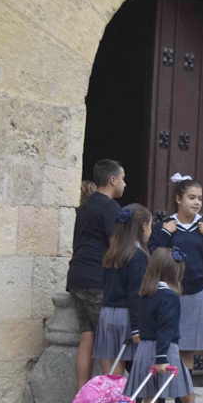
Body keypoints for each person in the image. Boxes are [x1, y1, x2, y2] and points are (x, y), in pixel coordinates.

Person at [125, 248, 203, 403]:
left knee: (149, 402)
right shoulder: (170, 297)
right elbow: (165, 328)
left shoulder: (147, 293)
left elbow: (147, 323)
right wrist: (162, 358)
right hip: (164, 351)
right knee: (187, 395)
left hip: (145, 349)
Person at [148, 174, 203, 403]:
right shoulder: (166, 227)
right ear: (178, 199)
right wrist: (163, 233)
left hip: (196, 294)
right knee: (161, 347)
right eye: (191, 198)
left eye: (200, 199)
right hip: (167, 294)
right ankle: (158, 402)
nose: (197, 203)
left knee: (186, 352)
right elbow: (152, 255)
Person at [68, 160, 125, 389]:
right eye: (122, 178)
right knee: (108, 344)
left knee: (87, 339)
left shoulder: (86, 205)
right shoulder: (110, 207)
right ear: (112, 180)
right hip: (97, 280)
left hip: (77, 277)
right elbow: (116, 248)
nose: (124, 184)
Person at [97, 204, 151, 377]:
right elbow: (136, 293)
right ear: (144, 226)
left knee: (110, 365)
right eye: (150, 226)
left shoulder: (113, 252)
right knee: (126, 370)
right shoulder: (138, 255)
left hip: (107, 313)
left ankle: (109, 402)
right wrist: (137, 327)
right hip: (125, 316)